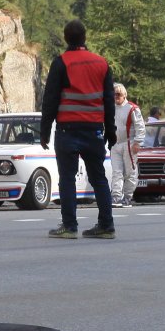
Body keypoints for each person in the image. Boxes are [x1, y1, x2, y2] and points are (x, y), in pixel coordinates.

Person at [39, 19, 116, 239]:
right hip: (94, 130)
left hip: (68, 130)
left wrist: (45, 130)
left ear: (66, 38)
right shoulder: (101, 63)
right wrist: (110, 131)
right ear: (85, 37)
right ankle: (106, 226)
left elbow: (50, 99)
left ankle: (69, 227)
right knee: (98, 178)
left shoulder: (61, 63)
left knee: (67, 178)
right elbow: (109, 101)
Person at [111, 83, 145, 207]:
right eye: (114, 94)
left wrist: (137, 142)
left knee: (130, 172)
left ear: (124, 95)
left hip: (129, 143)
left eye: (118, 94)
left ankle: (127, 197)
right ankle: (116, 197)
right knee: (117, 172)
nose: (116, 96)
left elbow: (140, 127)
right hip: (115, 144)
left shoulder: (132, 108)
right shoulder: (110, 108)